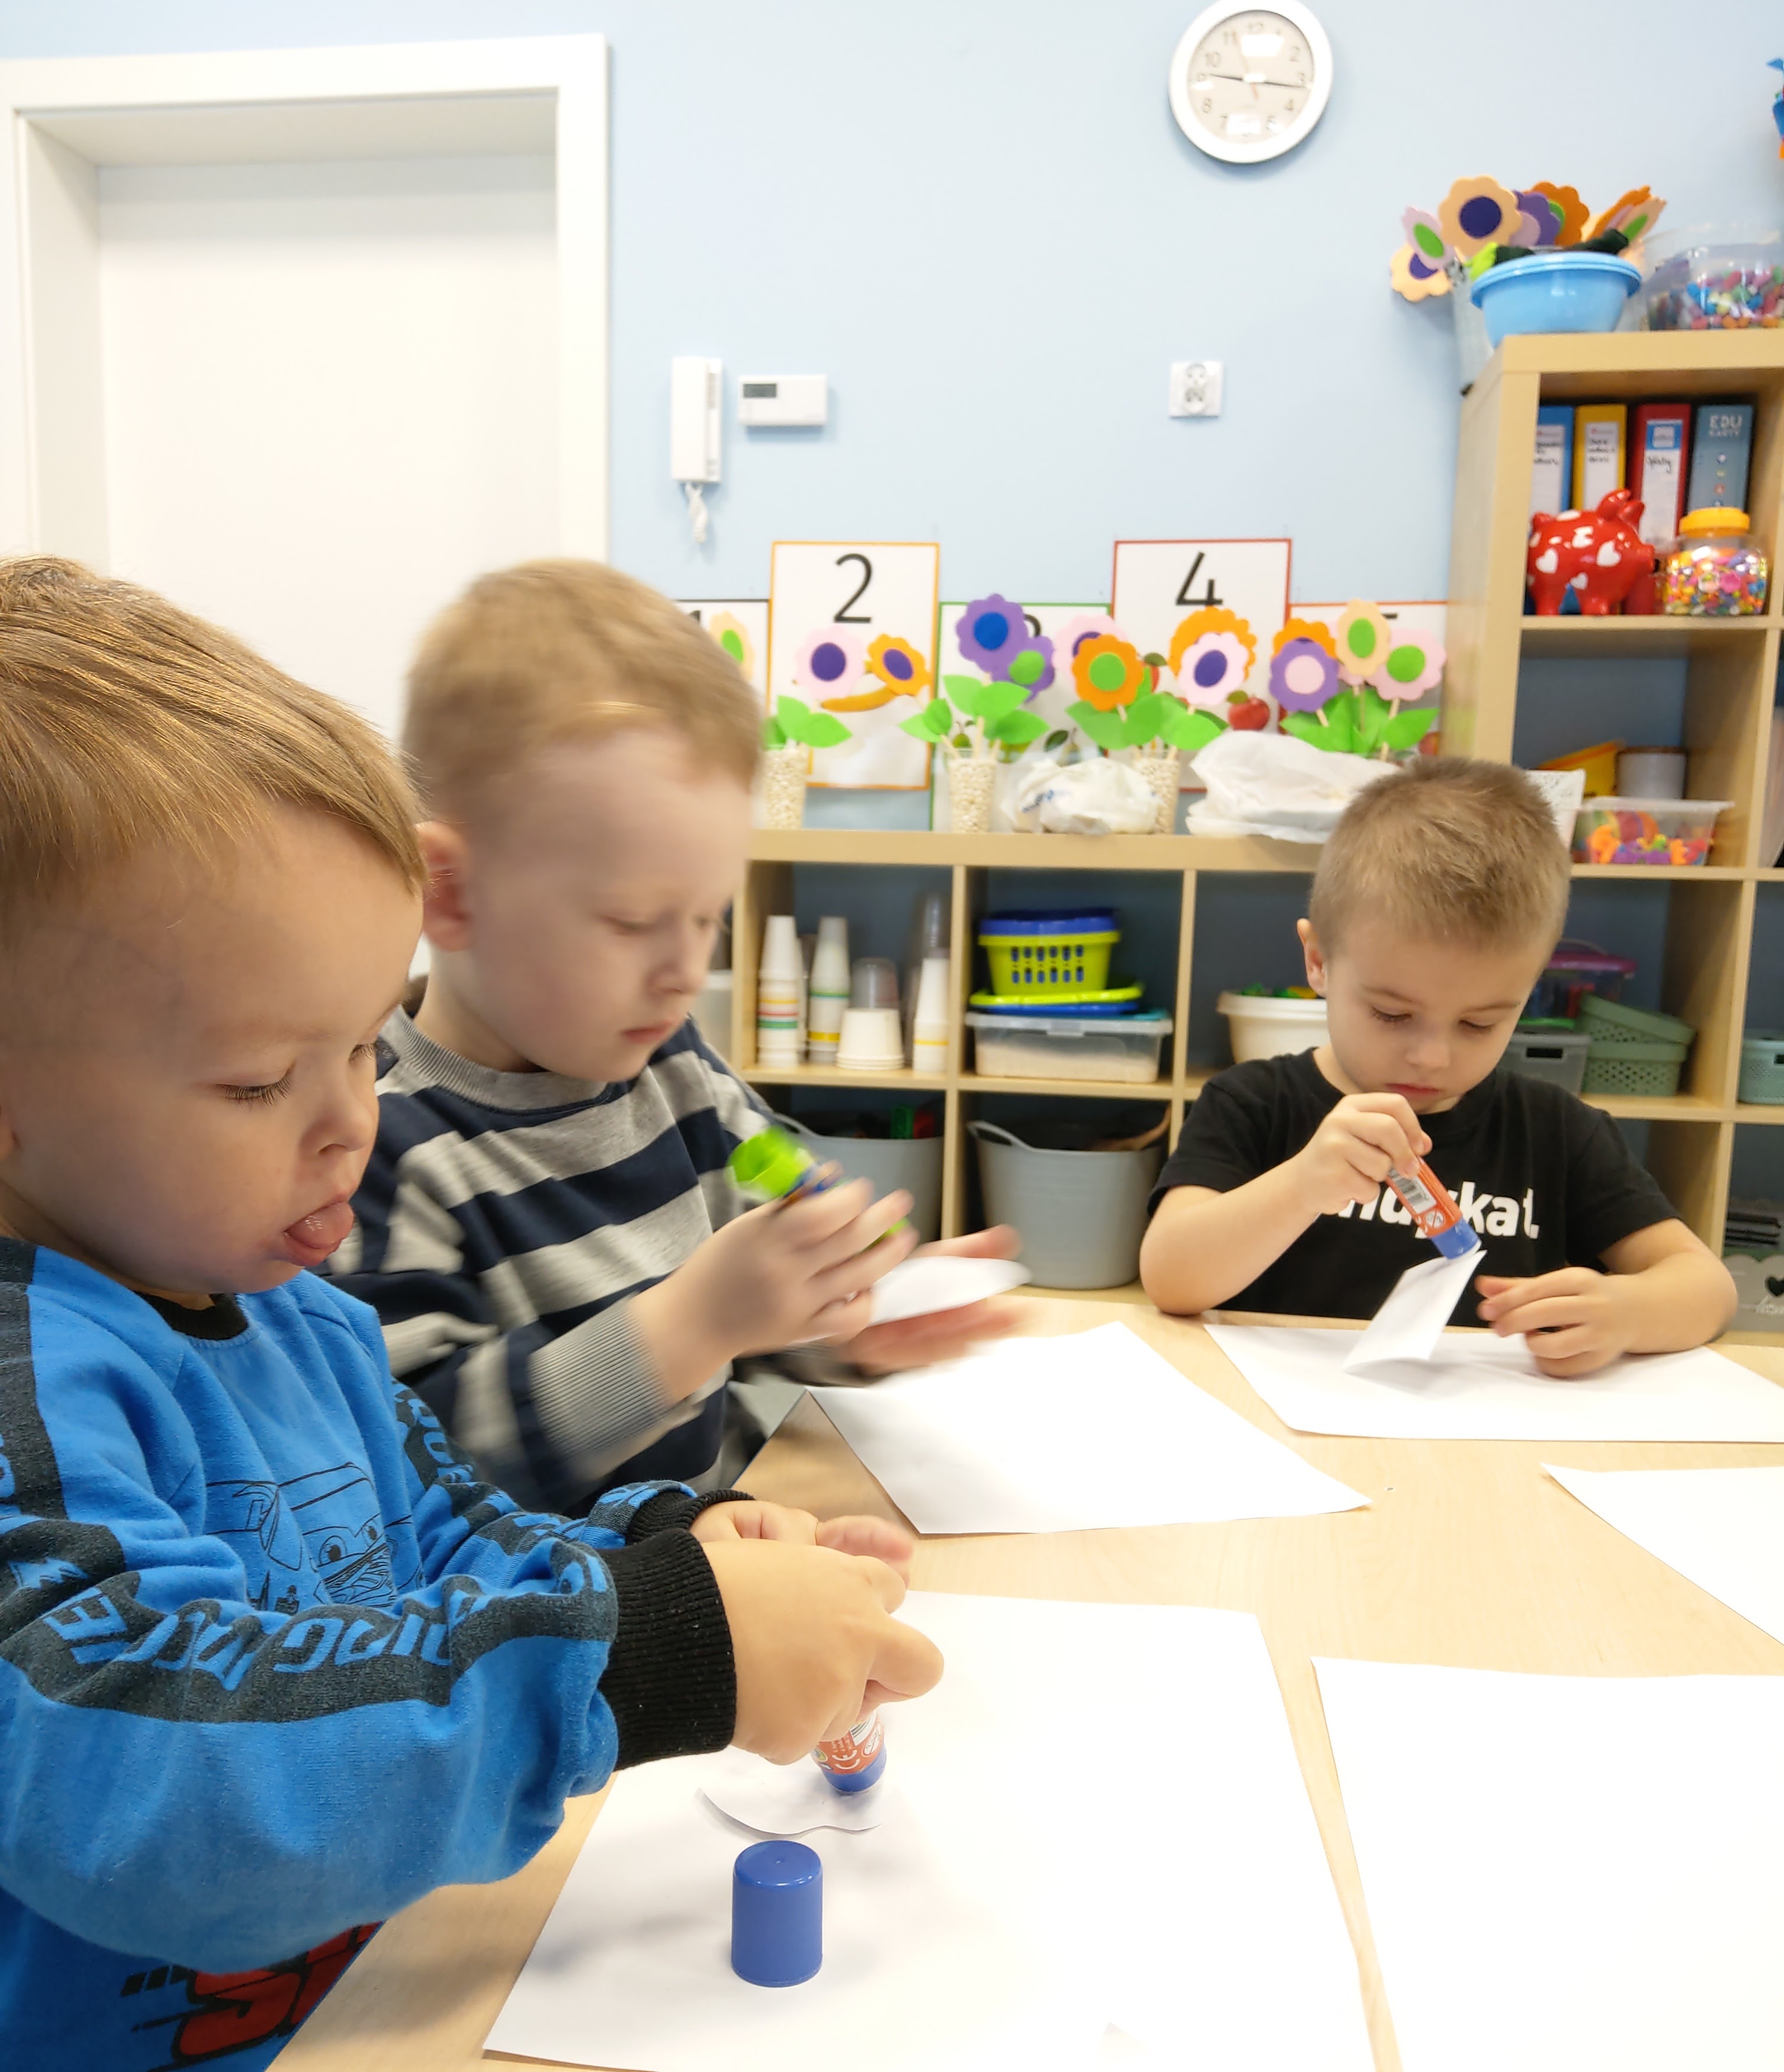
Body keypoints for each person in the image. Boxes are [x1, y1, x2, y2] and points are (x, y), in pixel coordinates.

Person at [0, 557, 940, 2072]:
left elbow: (454, 1534)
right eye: (257, 1080)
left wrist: (668, 1558)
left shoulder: (297, 1304)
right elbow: (151, 1773)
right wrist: (650, 1653)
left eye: (364, 1050)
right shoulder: (34, 1386)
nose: (348, 1129)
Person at [333, 559, 1016, 1516]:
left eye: (708, 919)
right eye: (630, 920)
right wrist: (692, 1322)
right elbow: (416, 1469)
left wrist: (849, 1313)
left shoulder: (677, 1069)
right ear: (448, 892)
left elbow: (764, 1297)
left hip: (731, 1544)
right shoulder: (370, 1144)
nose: (684, 971)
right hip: (563, 1601)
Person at [1140, 758, 1735, 1373]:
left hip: (1481, 1424)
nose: (1431, 1057)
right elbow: (1169, 1277)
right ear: (1318, 961)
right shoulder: (1252, 1104)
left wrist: (1628, 1310)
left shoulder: (1557, 1131)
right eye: (1392, 1014)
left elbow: (1708, 1290)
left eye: (1479, 1023)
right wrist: (1299, 1187)